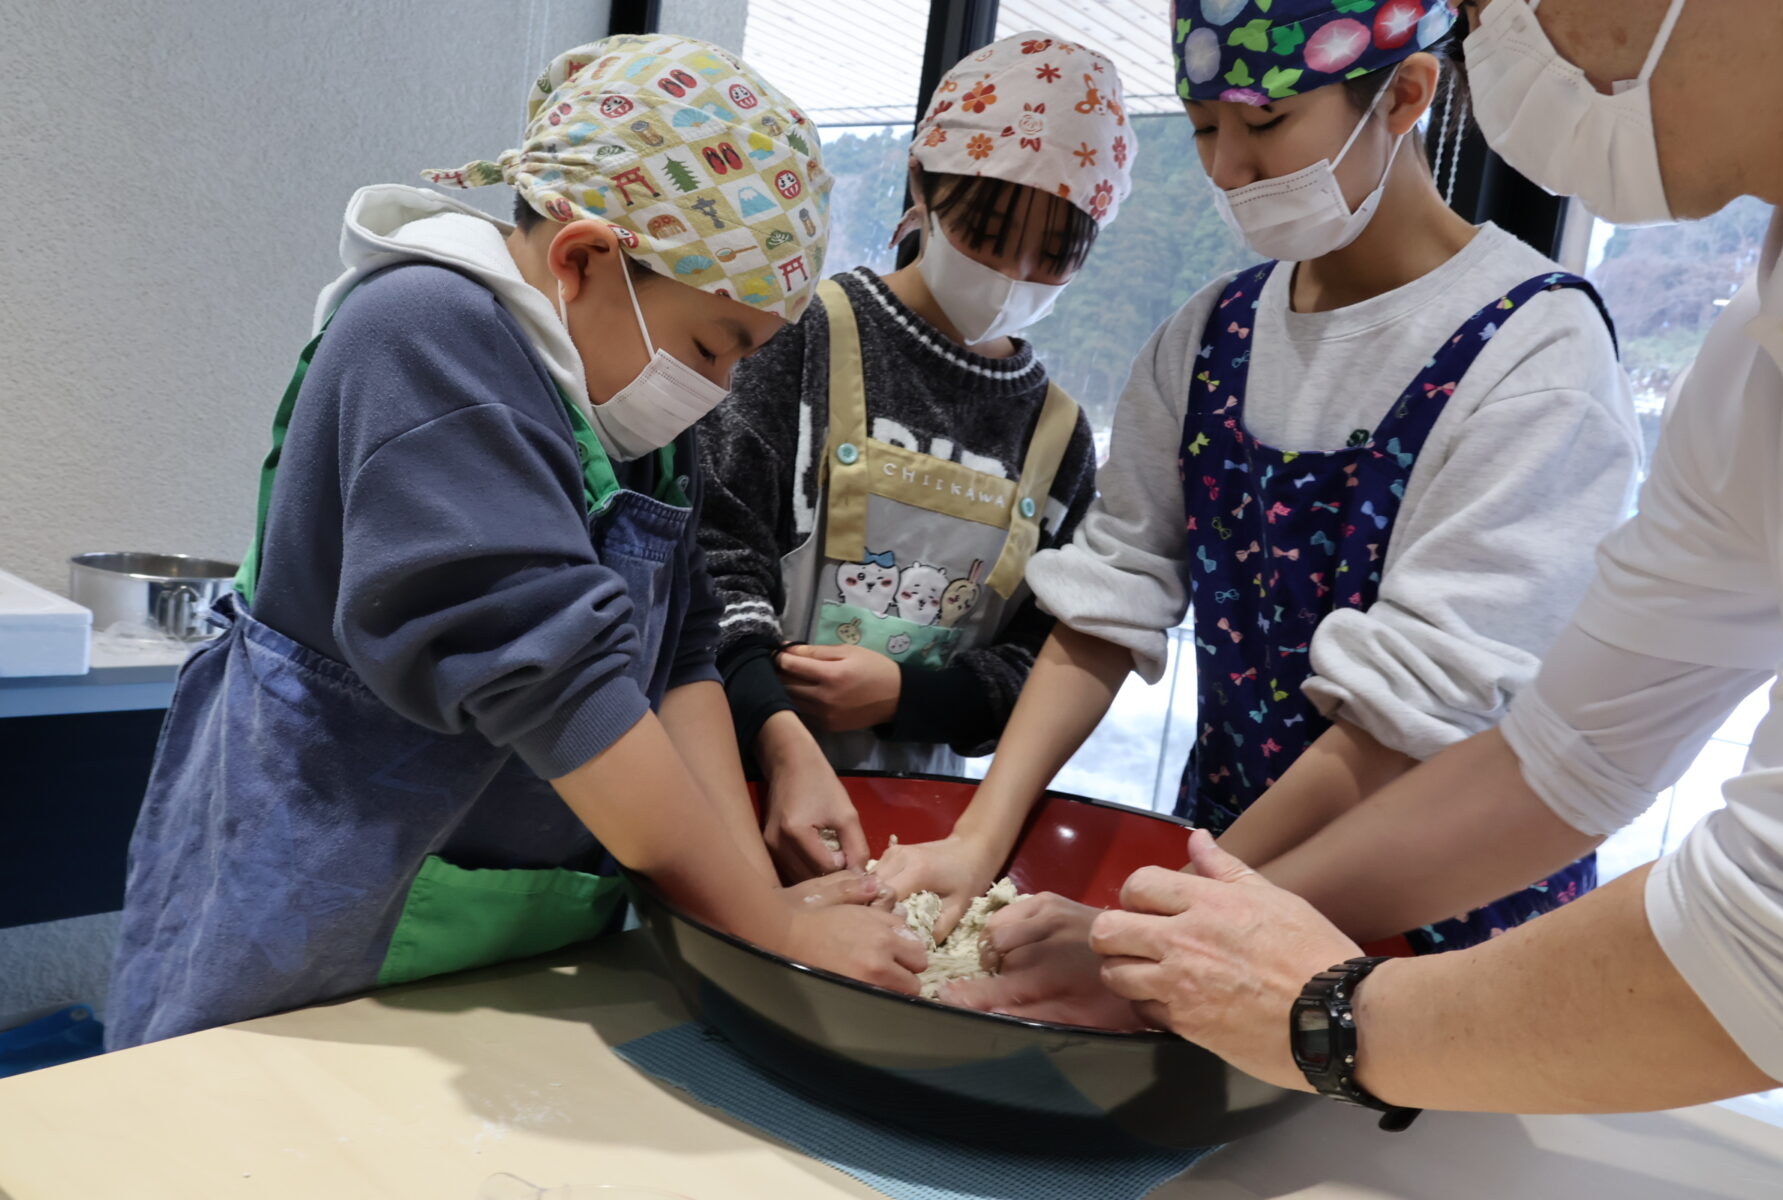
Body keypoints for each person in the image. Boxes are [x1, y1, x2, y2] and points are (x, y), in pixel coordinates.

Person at [106, 34, 925, 1050]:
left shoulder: (631, 423)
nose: (716, 390)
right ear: (584, 259)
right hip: (315, 928)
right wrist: (760, 928)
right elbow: (560, 684)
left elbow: (681, 662)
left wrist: (751, 893)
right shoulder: (424, 336)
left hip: (506, 939)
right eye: (715, 346)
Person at [1074, 0, 1783, 1117]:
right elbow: (1568, 761)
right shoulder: (1762, 346)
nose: (1499, 36)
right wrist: (1186, 935)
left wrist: (1320, 1015)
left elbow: (1774, 934)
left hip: (1472, 969)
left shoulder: (1537, 345)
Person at [878, 0, 1641, 986]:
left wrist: (1153, 926)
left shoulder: (1535, 354)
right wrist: (980, 838)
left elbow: (1410, 714)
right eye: (1203, 126)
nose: (1227, 169)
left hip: (1438, 922)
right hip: (1224, 857)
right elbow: (1111, 596)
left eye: (1267, 123)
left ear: (1406, 94)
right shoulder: (1210, 338)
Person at [697, 32, 1135, 881]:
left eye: (1054, 254)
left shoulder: (1059, 436)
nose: (1012, 272)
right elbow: (715, 550)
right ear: (923, 184)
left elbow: (1040, 662)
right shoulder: (803, 339)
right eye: (989, 230)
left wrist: (910, 697)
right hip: (740, 770)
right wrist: (772, 718)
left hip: (925, 829)